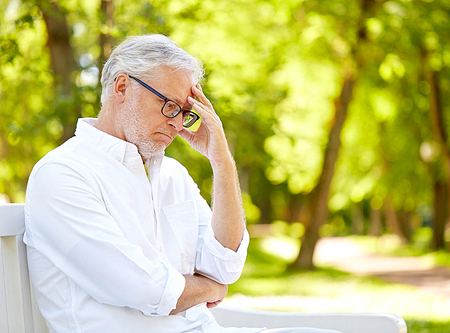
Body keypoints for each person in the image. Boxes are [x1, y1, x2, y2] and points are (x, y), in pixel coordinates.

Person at [24, 34, 341, 333]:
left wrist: (221, 162)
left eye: (186, 112)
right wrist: (210, 288)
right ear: (122, 87)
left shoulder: (172, 174)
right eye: (169, 105)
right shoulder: (63, 174)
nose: (177, 123)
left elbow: (225, 266)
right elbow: (144, 289)